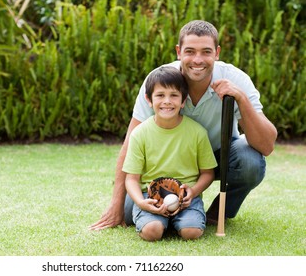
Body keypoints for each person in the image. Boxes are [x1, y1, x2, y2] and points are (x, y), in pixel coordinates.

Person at [89, 20, 277, 230]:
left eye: (206, 51)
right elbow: (130, 141)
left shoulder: (235, 79)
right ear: (179, 52)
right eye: (190, 51)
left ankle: (217, 213)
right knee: (128, 214)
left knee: (250, 160)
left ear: (217, 52)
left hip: (215, 159)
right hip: (163, 168)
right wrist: (115, 205)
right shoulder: (159, 80)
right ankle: (175, 214)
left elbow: (267, 145)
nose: (198, 60)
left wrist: (240, 98)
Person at [123, 66, 217, 241]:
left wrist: (194, 191)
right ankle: (156, 221)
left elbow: (208, 173)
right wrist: (141, 202)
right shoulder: (140, 133)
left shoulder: (197, 132)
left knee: (192, 233)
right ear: (149, 100)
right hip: (150, 196)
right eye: (160, 95)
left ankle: (180, 222)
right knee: (152, 232)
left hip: (186, 198)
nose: (167, 101)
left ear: (183, 101)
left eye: (174, 95)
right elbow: (131, 178)